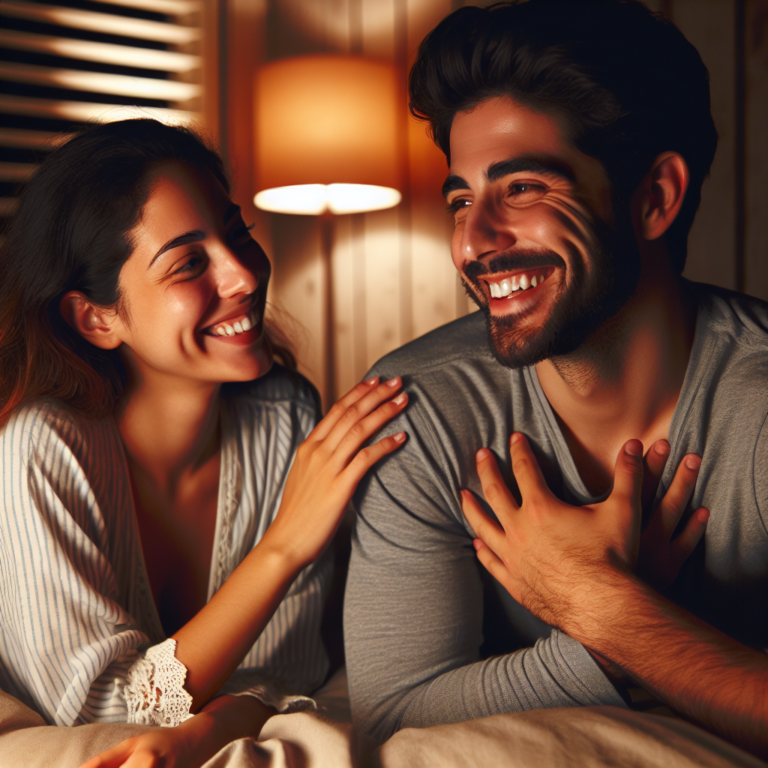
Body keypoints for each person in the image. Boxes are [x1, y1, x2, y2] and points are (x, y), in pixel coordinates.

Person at [344, 0, 768, 760]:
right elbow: (392, 718)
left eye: (522, 190)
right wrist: (613, 637)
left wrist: (594, 604)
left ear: (654, 198)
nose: (473, 241)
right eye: (460, 199)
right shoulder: (421, 407)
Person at [0, 118, 408, 767]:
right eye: (190, 262)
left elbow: (291, 669)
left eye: (237, 232)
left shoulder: (285, 416)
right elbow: (98, 708)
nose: (243, 274)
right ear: (98, 318)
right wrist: (282, 548)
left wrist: (199, 734)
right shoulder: (41, 450)